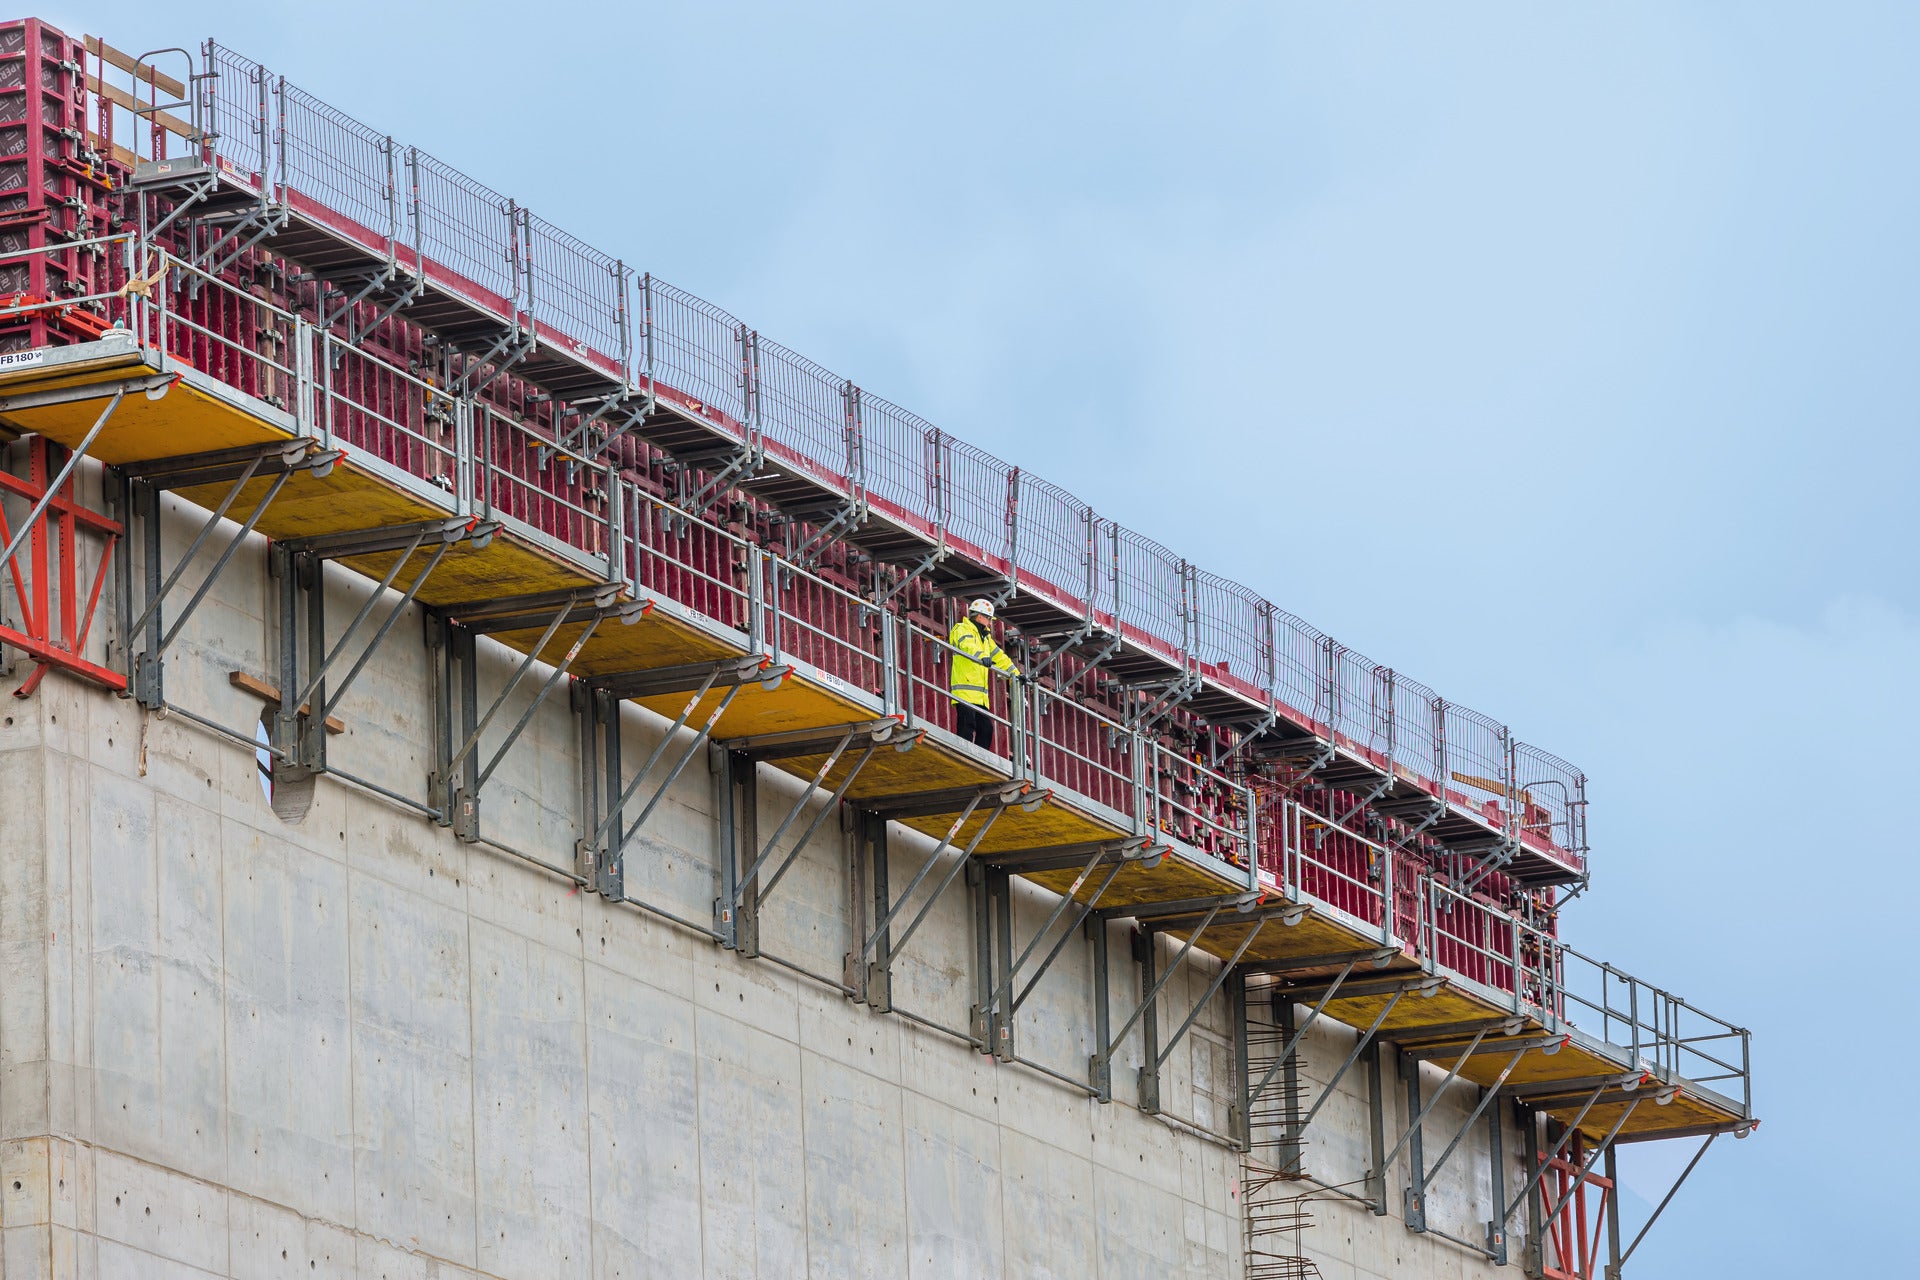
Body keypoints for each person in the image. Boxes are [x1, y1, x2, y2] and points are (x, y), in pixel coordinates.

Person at [948, 598, 1020, 751]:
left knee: (986, 728)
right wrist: (981, 656)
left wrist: (1015, 673)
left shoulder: (986, 638)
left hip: (980, 696)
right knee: (967, 725)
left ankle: (979, 758)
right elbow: (967, 646)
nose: (990, 622)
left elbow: (999, 657)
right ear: (980, 616)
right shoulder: (961, 629)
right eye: (988, 618)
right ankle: (963, 754)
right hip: (964, 691)